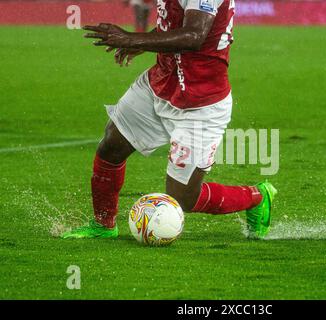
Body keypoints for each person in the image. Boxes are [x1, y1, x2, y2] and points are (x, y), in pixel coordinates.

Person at [62, 0, 277, 240]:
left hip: (200, 104)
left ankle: (256, 197)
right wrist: (141, 44)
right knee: (112, 145)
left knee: (183, 197)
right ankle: (103, 224)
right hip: (160, 85)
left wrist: (130, 39)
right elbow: (172, 26)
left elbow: (194, 35)